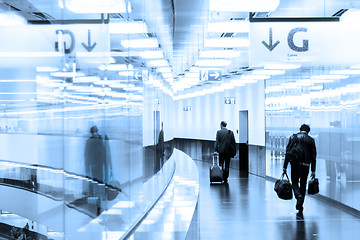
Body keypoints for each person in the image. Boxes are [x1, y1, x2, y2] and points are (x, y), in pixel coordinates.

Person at [283, 124, 317, 215]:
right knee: (303, 184)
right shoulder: (311, 140)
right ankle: (300, 204)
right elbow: (313, 156)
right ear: (308, 131)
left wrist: (285, 166)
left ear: (300, 129)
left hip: (294, 164)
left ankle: (298, 196)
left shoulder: (293, 137)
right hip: (306, 165)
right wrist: (313, 170)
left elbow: (288, 152)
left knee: (294, 182)